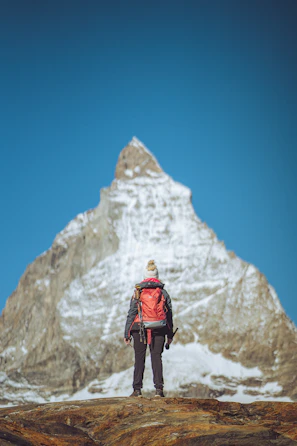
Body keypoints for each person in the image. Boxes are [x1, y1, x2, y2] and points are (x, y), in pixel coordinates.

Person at [124, 260, 174, 397]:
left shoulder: (138, 292)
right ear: (157, 276)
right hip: (159, 327)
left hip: (138, 328)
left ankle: (137, 390)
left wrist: (127, 333)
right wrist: (170, 335)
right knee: (156, 357)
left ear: (145, 276)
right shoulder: (163, 292)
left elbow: (132, 312)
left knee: (139, 358)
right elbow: (169, 315)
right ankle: (159, 390)